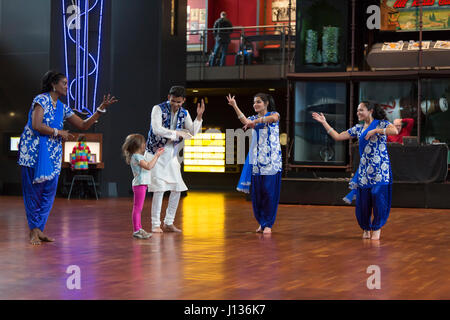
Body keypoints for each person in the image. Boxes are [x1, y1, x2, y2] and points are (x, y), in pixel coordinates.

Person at [18, 70, 118, 245]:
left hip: (53, 154)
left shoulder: (63, 108)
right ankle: (33, 231)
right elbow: (36, 125)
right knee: (33, 193)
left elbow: (83, 125)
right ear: (53, 85)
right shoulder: (41, 100)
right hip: (33, 153)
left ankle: (39, 229)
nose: (66, 86)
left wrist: (100, 109)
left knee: (48, 193)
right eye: (64, 83)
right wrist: (58, 132)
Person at [312, 101, 398, 240]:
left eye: (361, 110)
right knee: (363, 202)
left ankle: (377, 227)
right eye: (357, 110)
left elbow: (395, 131)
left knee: (378, 196)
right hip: (364, 170)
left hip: (380, 170)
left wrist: (375, 131)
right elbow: (338, 136)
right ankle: (365, 227)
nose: (358, 113)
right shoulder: (358, 129)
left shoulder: (381, 124)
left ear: (370, 110)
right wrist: (324, 122)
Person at [144, 86, 205, 233]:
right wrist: (177, 133)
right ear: (168, 97)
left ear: (183, 100)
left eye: (178, 102)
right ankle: (155, 224)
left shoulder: (185, 113)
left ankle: (169, 222)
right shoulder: (158, 109)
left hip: (171, 154)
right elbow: (157, 128)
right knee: (159, 189)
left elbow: (192, 133)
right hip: (155, 153)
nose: (175, 104)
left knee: (177, 188)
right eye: (172, 101)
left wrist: (198, 117)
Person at [227, 93, 282, 234]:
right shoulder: (252, 118)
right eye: (254, 102)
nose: (255, 104)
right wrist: (235, 106)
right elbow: (244, 120)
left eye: (258, 102)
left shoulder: (274, 114)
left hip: (272, 162)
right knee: (257, 195)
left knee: (269, 193)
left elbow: (273, 118)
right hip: (256, 162)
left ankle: (269, 223)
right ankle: (262, 222)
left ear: (266, 103)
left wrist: (255, 122)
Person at [122, 134, 164, 239]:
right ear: (138, 145)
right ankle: (137, 230)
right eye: (143, 142)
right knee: (137, 208)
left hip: (141, 184)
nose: (145, 144)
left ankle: (139, 229)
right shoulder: (137, 157)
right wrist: (157, 156)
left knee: (138, 208)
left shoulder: (136, 156)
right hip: (140, 185)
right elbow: (149, 166)